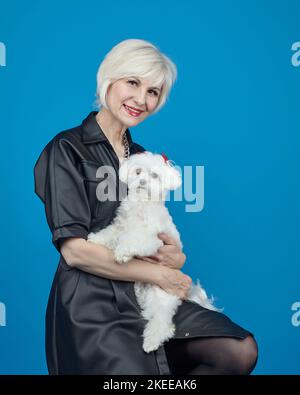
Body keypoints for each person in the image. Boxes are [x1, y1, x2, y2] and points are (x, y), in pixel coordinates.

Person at [33, 38, 258, 375]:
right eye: (133, 83)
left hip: (148, 296)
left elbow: (156, 230)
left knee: (237, 350)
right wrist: (159, 273)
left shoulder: (143, 157)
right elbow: (75, 252)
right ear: (109, 78)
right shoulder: (67, 148)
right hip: (91, 304)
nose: (141, 99)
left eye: (153, 91)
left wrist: (175, 257)